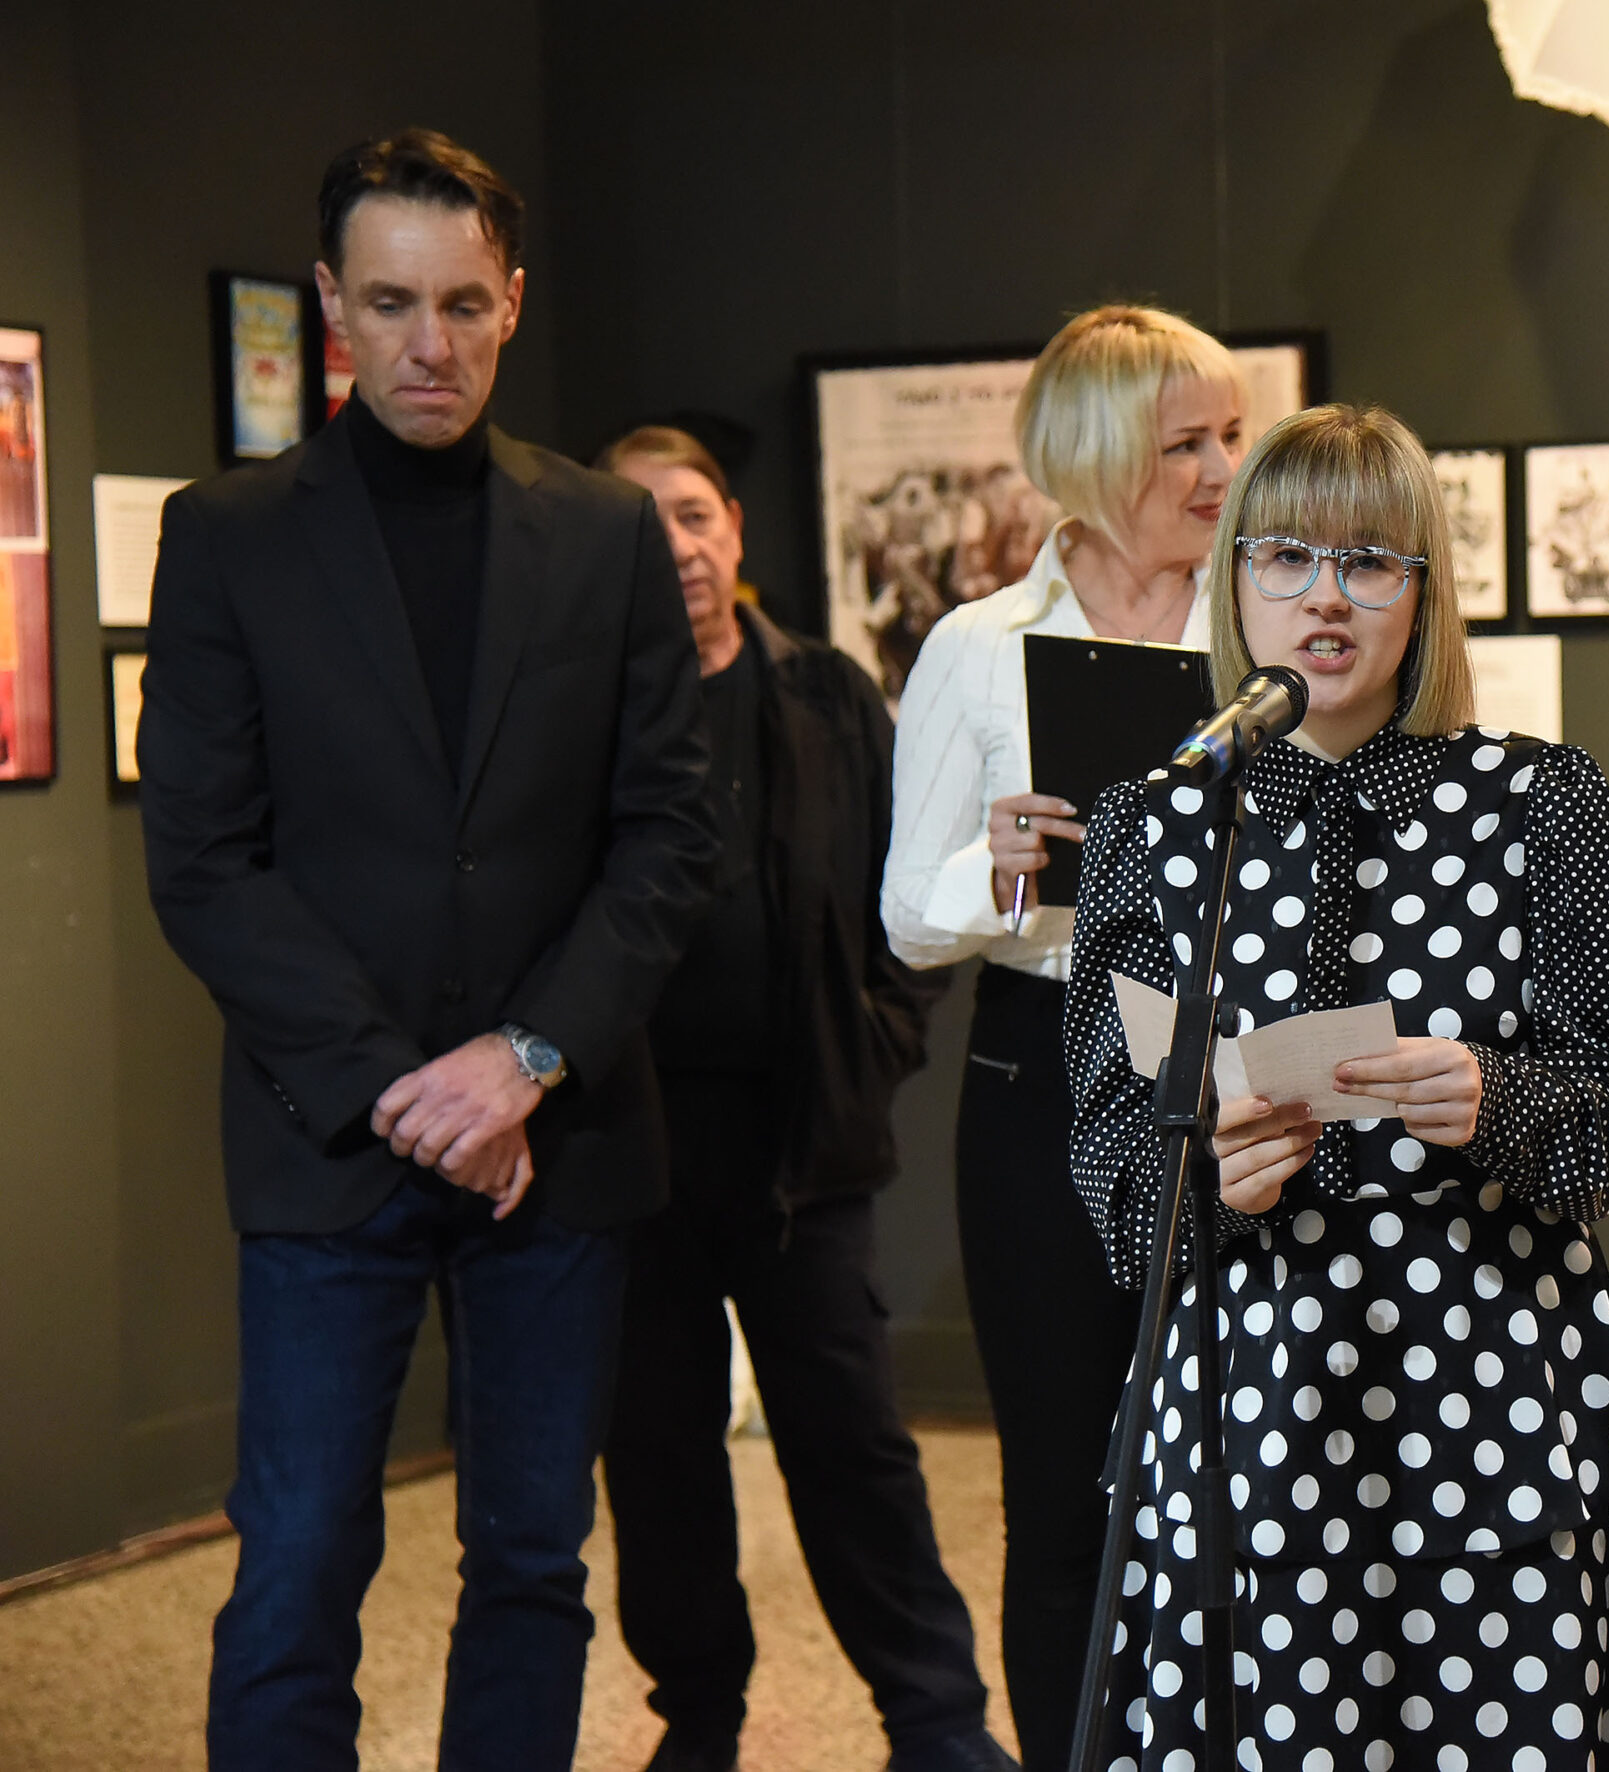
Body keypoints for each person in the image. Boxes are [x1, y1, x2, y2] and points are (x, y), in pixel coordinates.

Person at [139, 131, 720, 1771]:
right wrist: (409, 1090)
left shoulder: (605, 533)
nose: (429, 343)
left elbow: (668, 837)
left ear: (512, 301)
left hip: (561, 1141)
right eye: (390, 303)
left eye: (464, 304)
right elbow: (203, 860)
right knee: (298, 1562)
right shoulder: (229, 535)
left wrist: (523, 1062)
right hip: (331, 1138)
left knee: (533, 1561)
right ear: (330, 303)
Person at [1065, 404, 1609, 1771]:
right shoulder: (1151, 823)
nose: (1326, 598)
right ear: (1234, 576)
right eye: (1286, 557)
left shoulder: (1541, 801)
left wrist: (1497, 1099)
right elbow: (1108, 1153)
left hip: (1489, 1373)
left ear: (1423, 592)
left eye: (1368, 561)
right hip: (1249, 1386)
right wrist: (1201, 1177)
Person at [593, 426, 1013, 1772]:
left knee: (851, 1446)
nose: (676, 544)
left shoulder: (828, 692)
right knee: (658, 1452)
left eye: (693, 513)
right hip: (631, 1146)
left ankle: (934, 1720)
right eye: (641, 520)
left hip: (803, 1137)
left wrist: (884, 1035)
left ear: (734, 528)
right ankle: (698, 1717)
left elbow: (917, 880)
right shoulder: (580, 706)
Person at [880, 304, 1247, 1771]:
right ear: (1095, 458)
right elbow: (907, 917)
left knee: (1240, 1476)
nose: (1223, 471)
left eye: (1231, 436)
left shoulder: (1267, 623)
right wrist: (1004, 869)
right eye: (1187, 444)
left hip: (1238, 1069)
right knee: (1062, 1492)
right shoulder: (977, 649)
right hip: (1043, 1067)